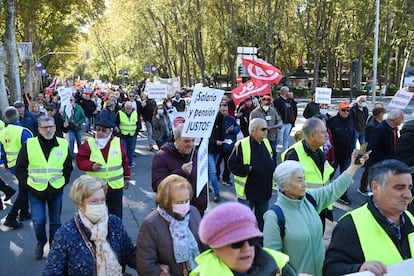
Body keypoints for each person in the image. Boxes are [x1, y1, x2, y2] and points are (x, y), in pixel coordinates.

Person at [263, 150, 369, 276]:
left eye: (304, 179)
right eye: (299, 180)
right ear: (285, 185)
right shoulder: (274, 216)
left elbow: (333, 189)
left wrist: (353, 167)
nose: (304, 184)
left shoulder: (310, 199)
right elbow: (273, 260)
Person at [323, 159, 414, 276]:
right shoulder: (350, 225)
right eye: (399, 188)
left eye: (409, 187)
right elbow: (331, 270)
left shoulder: (410, 218)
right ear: (375, 187)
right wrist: (358, 269)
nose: (408, 195)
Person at [44, 175, 136, 275]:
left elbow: (130, 254)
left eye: (102, 200)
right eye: (94, 201)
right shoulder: (65, 234)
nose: (100, 205)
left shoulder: (114, 223)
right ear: (80, 204)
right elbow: (52, 270)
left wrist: (150, 256)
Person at [15, 115, 73, 259]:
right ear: (39, 129)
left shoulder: (62, 143)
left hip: (56, 189)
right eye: (44, 127)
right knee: (39, 221)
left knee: (55, 222)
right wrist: (27, 185)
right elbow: (20, 168)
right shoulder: (29, 144)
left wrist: (63, 182)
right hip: (35, 190)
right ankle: (41, 242)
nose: (48, 130)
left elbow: (68, 168)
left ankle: (54, 247)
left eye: (51, 127)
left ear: (55, 127)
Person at [191, 202, 294, 276]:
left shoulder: (279, 264)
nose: (247, 248)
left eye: (252, 240)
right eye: (237, 243)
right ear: (216, 248)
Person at [136, 174, 203, 276]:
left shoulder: (193, 212)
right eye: (180, 202)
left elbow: (204, 243)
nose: (185, 205)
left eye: (187, 201)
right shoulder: (151, 224)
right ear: (166, 202)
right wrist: (159, 272)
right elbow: (145, 263)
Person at [282, 118, 335, 230]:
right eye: (323, 132)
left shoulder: (319, 151)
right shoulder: (293, 154)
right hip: (303, 213)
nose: (327, 135)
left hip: (319, 208)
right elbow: (287, 189)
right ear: (312, 135)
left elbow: (324, 181)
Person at [228, 118, 277, 231]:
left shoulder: (266, 142)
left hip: (264, 192)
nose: (266, 131)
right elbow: (232, 165)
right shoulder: (241, 145)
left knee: (262, 223)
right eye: (263, 129)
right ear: (253, 130)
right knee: (245, 223)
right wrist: (247, 169)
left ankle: (259, 244)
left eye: (267, 129)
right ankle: (245, 245)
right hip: (247, 193)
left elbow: (272, 158)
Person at [76, 119, 131, 219]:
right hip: (95, 188)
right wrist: (91, 166)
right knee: (96, 217)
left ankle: (115, 234)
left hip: (115, 187)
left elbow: (124, 161)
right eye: (98, 130)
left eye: (103, 130)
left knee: (116, 217)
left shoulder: (117, 142)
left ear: (110, 131)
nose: (100, 133)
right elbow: (80, 160)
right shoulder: (89, 144)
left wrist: (127, 177)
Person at [152, 123, 207, 215]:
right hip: (172, 213)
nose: (191, 144)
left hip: (196, 210)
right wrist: (181, 172)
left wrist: (203, 201)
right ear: (176, 139)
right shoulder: (161, 157)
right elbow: (158, 186)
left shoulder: (196, 154)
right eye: (186, 141)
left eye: (193, 140)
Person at [1, 107, 33, 229]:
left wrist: (5, 163)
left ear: (6, 118)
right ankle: (11, 218)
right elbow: (32, 149)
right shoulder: (23, 131)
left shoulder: (2, 132)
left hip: (12, 165)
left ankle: (24, 213)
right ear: (17, 116)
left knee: (23, 188)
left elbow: (2, 150)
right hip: (25, 165)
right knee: (24, 191)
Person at [326, 101, 355, 205]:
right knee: (329, 175)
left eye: (348, 110)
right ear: (338, 110)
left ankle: (343, 195)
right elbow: (327, 138)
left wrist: (353, 148)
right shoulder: (331, 121)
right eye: (343, 110)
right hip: (335, 154)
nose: (346, 112)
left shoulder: (351, 120)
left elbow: (353, 135)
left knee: (346, 176)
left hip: (347, 154)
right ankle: (324, 192)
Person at [358, 107, 386, 195]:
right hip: (371, 152)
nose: (384, 115)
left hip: (376, 151)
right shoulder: (372, 126)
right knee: (368, 170)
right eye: (383, 113)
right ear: (379, 115)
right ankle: (363, 188)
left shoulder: (379, 123)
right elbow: (370, 140)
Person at [216, 104, 240, 186]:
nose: (225, 112)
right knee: (217, 164)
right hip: (219, 146)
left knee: (228, 164)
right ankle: (216, 177)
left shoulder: (231, 119)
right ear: (219, 110)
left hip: (229, 146)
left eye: (226, 111)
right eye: (223, 111)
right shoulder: (216, 120)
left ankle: (226, 179)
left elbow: (237, 128)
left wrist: (233, 129)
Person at [208, 106, 225, 202]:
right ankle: (217, 192)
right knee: (213, 172)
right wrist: (215, 141)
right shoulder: (206, 118)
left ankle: (207, 187)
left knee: (210, 170)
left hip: (217, 149)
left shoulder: (220, 117)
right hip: (209, 149)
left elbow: (222, 132)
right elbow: (204, 136)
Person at [116, 101, 139, 167]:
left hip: (132, 134)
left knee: (131, 149)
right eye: (127, 108)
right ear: (124, 108)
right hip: (123, 134)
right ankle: (124, 164)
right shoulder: (120, 113)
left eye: (130, 108)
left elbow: (138, 123)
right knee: (124, 150)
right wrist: (118, 132)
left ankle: (130, 163)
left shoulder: (135, 113)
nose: (129, 110)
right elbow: (116, 122)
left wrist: (137, 131)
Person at [274, 86, 297, 152]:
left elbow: (294, 108)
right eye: (288, 91)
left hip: (288, 122)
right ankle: (273, 150)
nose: (289, 93)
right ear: (284, 92)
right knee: (279, 138)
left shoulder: (289, 100)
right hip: (281, 123)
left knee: (286, 138)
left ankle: (285, 151)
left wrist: (292, 99)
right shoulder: (277, 101)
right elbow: (275, 112)